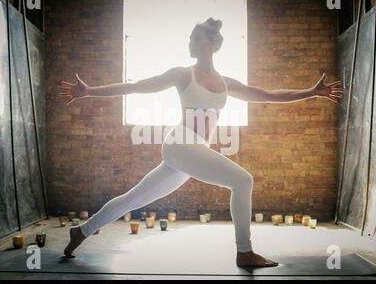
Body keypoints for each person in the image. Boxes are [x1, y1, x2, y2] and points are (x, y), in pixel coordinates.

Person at [57, 17, 343, 267]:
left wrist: (311, 92)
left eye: (196, 37)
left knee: (134, 198)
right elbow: (137, 86)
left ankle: (81, 231)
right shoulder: (182, 74)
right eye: (190, 37)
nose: (191, 42)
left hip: (190, 151)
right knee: (243, 181)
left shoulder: (226, 82)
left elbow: (267, 94)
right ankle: (244, 252)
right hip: (181, 143)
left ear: (213, 43)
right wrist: (90, 91)